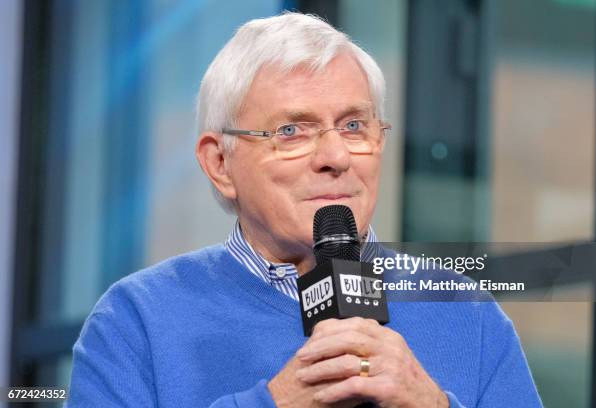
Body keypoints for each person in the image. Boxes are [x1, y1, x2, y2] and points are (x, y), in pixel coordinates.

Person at [67, 12, 542, 407]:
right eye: (292, 132)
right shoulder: (135, 322)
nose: (335, 157)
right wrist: (275, 403)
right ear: (219, 163)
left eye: (354, 125)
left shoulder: (466, 313)